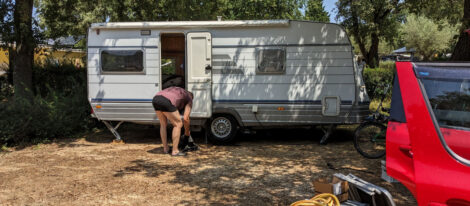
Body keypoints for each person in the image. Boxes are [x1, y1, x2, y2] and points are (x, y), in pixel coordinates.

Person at [152, 86, 193, 156]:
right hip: (166, 101)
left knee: (163, 124)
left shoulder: (178, 90)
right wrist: (187, 134)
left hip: (156, 99)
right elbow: (186, 118)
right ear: (191, 97)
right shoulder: (189, 98)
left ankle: (166, 149)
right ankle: (175, 151)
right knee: (178, 124)